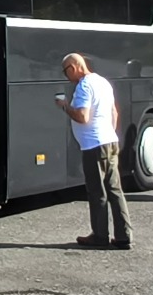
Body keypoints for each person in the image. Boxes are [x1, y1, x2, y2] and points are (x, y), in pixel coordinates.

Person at [55, 52, 133, 249]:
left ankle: (100, 236)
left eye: (66, 72)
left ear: (73, 68)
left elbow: (82, 116)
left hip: (94, 146)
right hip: (109, 141)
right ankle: (124, 236)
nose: (66, 77)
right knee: (115, 190)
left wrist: (64, 106)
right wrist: (108, 133)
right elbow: (114, 112)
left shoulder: (84, 85)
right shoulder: (103, 82)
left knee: (97, 192)